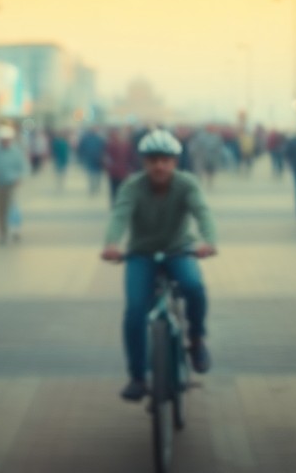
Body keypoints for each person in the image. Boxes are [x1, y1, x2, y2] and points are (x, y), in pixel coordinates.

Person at [101, 129, 217, 402]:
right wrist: (111, 244)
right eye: (153, 160)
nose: (159, 166)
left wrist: (208, 241)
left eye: (165, 160)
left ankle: (197, 340)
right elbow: (119, 216)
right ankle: (138, 377)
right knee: (135, 311)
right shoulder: (132, 186)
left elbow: (203, 213)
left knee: (194, 286)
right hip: (141, 254)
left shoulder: (187, 184)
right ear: (144, 162)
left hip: (179, 250)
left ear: (175, 162)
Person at [0, 125, 29, 243]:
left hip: (11, 183)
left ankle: (15, 230)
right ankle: (2, 232)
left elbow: (22, 167)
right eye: (2, 139)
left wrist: (19, 178)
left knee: (11, 207)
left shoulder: (16, 151)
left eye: (7, 139)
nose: (4, 142)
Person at [104, 128, 134, 204]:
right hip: (122, 171)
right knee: (121, 189)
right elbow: (131, 158)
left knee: (115, 190)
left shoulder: (110, 145)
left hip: (115, 171)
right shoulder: (126, 145)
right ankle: (119, 203)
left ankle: (115, 203)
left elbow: (107, 158)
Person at [77, 126, 106, 196]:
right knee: (95, 173)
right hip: (95, 158)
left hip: (92, 158)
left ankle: (93, 186)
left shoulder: (88, 138)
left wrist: (82, 156)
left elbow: (81, 148)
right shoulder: (99, 139)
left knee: (92, 173)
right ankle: (95, 186)